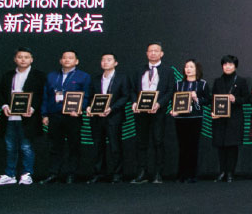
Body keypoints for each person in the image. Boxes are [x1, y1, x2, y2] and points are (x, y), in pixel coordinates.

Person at [0, 48, 43, 186]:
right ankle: (10, 175)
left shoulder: (38, 76)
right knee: (10, 147)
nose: (23, 59)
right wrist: (4, 106)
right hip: (10, 118)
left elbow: (41, 95)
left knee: (26, 147)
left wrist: (32, 108)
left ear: (31, 59)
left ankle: (27, 174)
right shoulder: (8, 75)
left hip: (28, 118)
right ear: (15, 59)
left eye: (26, 57)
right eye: (20, 57)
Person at [39, 50, 91, 184]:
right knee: (55, 146)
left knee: (74, 145)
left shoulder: (83, 76)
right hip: (54, 115)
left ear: (76, 61)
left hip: (73, 116)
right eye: (64, 58)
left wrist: (80, 109)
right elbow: (45, 96)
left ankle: (71, 174)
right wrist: (44, 114)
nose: (67, 60)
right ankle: (53, 173)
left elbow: (86, 96)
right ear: (60, 60)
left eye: (70, 58)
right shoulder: (51, 76)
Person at [130, 43, 176, 184]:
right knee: (141, 142)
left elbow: (170, 91)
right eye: (150, 51)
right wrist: (134, 102)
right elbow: (133, 89)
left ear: (161, 54)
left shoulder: (168, 71)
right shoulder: (139, 70)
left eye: (156, 51)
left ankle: (158, 173)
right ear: (147, 53)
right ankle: (142, 172)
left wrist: (159, 104)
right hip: (141, 112)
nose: (153, 53)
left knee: (158, 141)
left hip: (158, 112)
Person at [85, 53, 131, 183]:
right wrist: (88, 107)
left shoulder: (122, 78)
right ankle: (99, 173)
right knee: (97, 147)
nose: (105, 62)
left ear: (115, 63)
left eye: (109, 60)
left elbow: (125, 96)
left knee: (115, 147)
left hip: (114, 117)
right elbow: (90, 97)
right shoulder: (95, 79)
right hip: (97, 118)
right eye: (103, 60)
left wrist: (111, 108)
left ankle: (117, 174)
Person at [210, 55, 250, 182]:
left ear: (235, 66)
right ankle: (222, 172)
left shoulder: (241, 81)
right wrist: (213, 112)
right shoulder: (217, 81)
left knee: (232, 146)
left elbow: (247, 99)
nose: (228, 67)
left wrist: (235, 99)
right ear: (222, 66)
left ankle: (230, 173)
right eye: (225, 64)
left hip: (235, 118)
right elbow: (213, 99)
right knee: (221, 146)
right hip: (220, 118)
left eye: (231, 64)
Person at [171, 59, 209, 183]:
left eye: (191, 67)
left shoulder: (202, 84)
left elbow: (207, 100)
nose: (188, 69)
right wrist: (173, 110)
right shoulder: (178, 84)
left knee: (193, 146)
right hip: (180, 118)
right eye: (186, 67)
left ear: (197, 69)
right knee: (182, 147)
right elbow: (173, 99)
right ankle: (181, 174)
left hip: (195, 118)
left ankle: (192, 174)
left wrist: (196, 98)